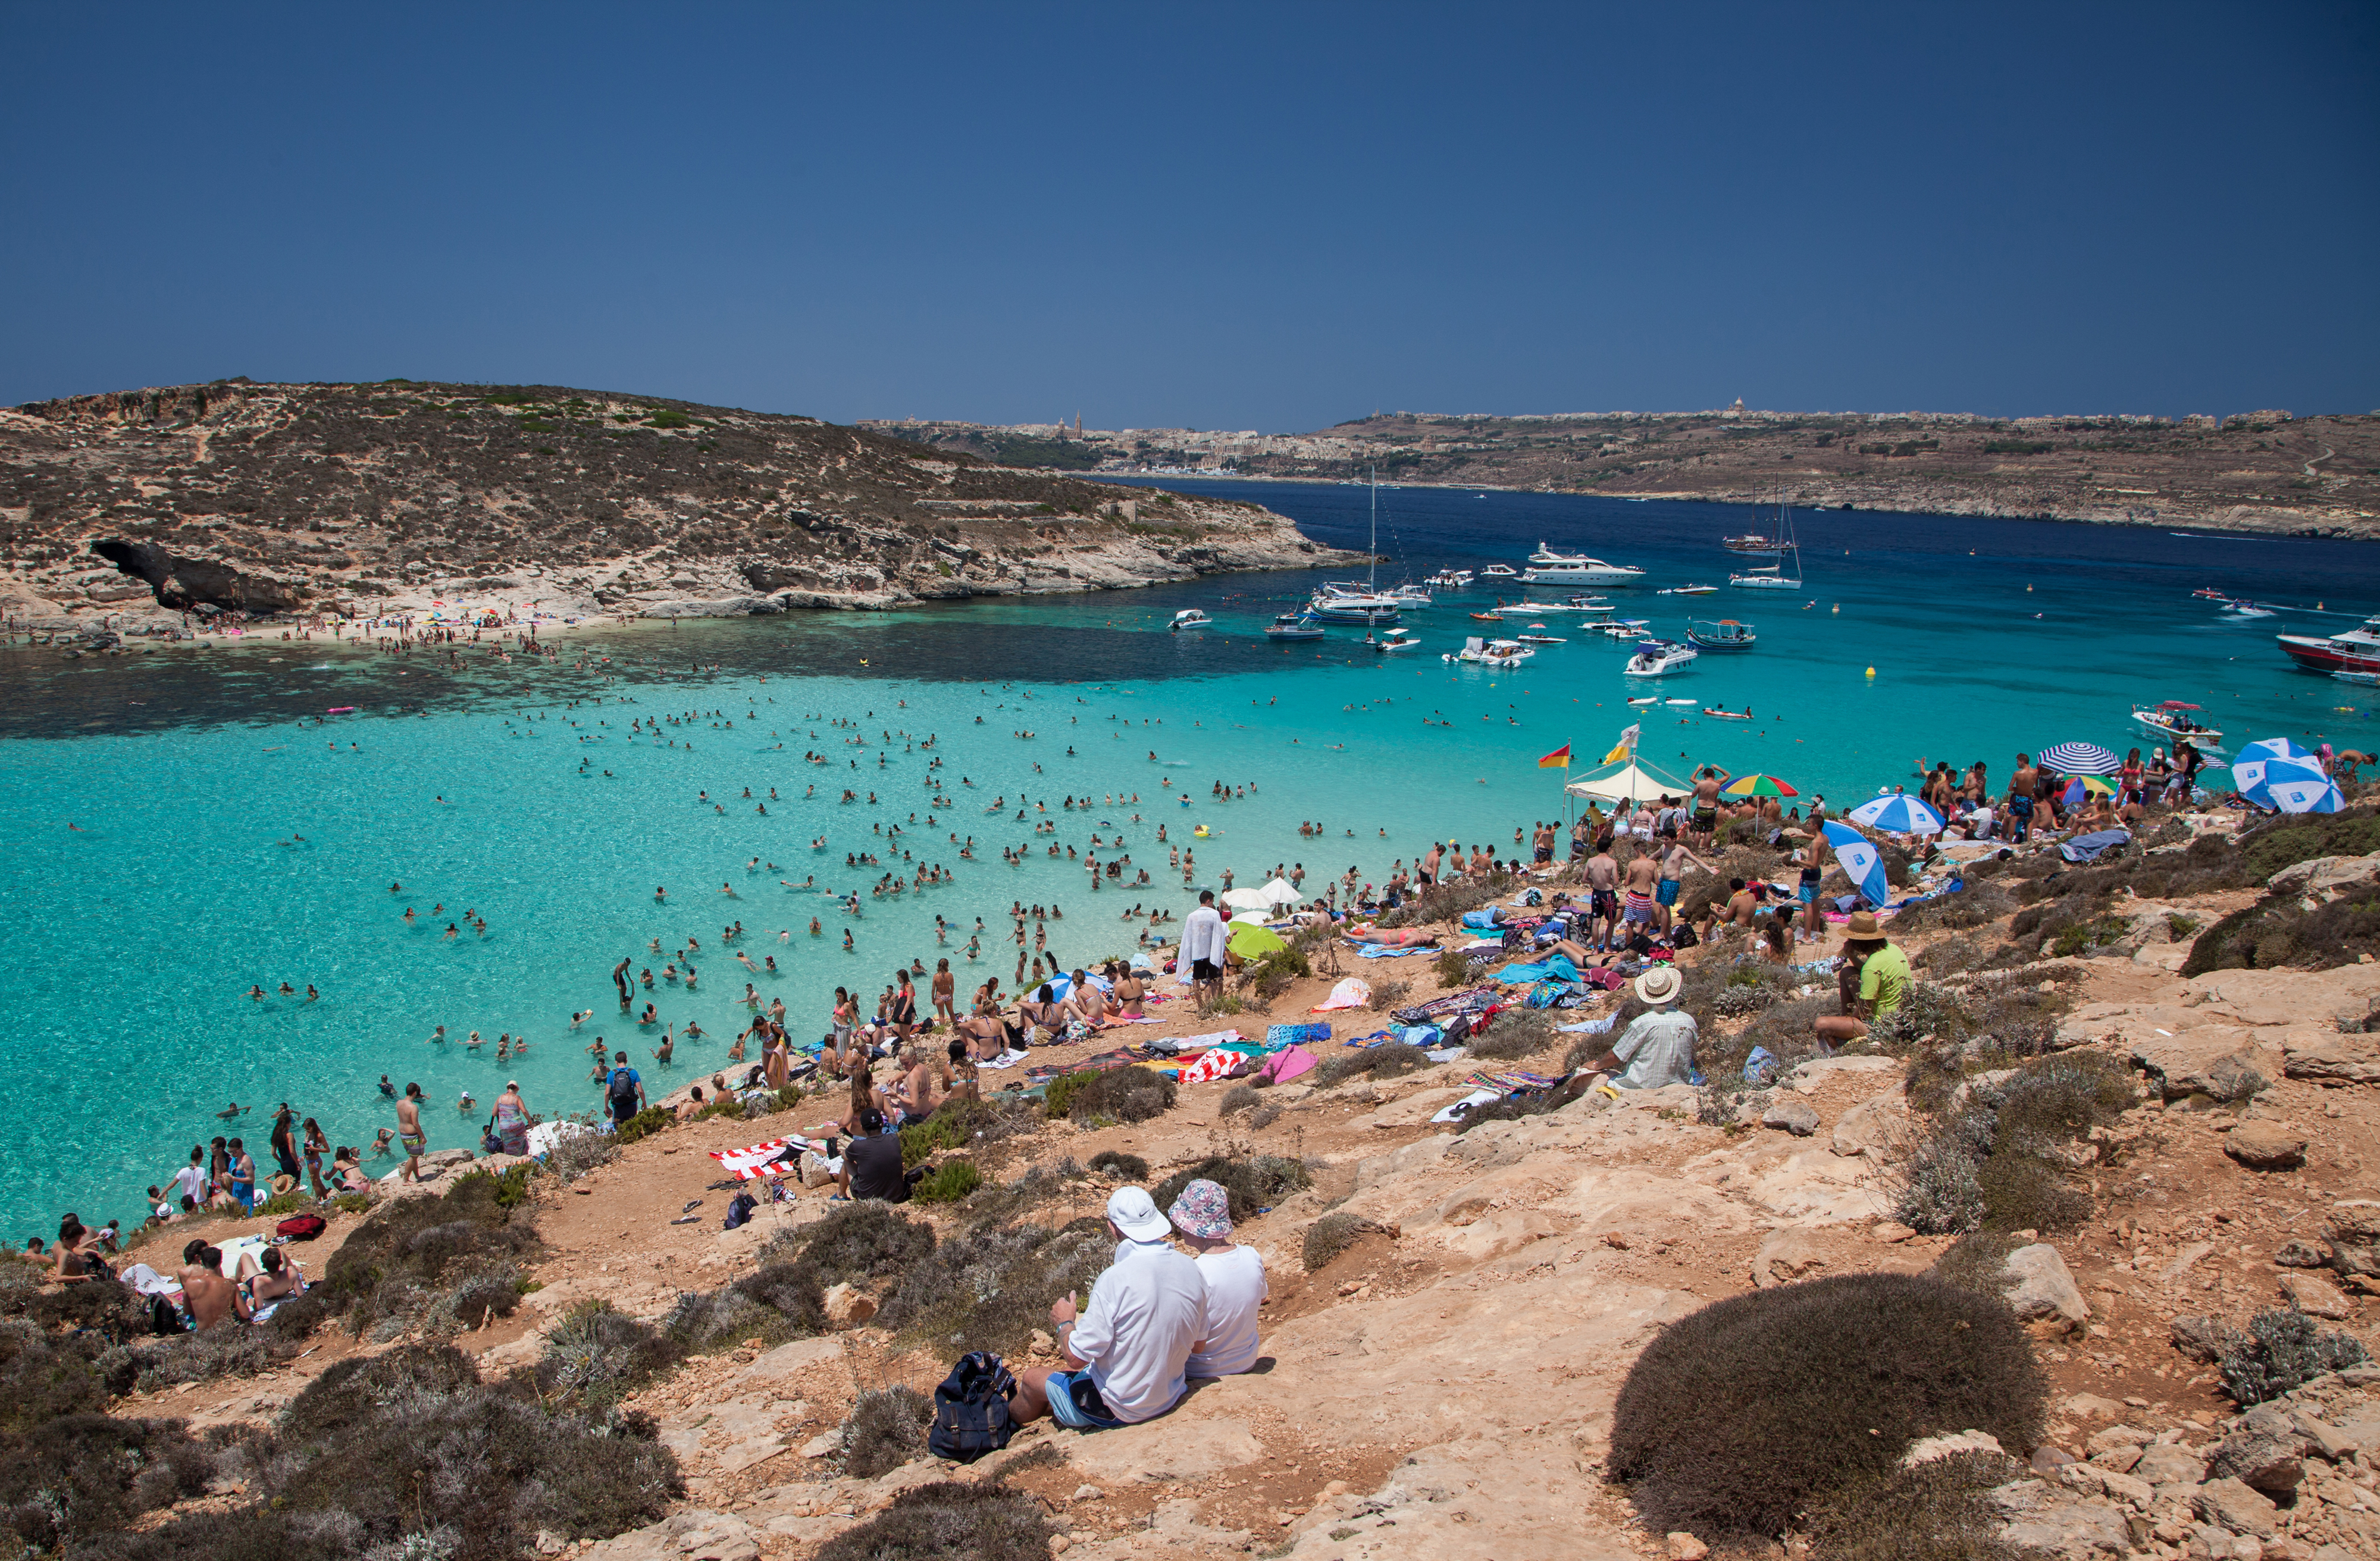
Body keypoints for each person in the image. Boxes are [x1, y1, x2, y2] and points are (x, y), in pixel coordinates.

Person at [1008, 1187, 1208, 1430]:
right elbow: (1198, 1346)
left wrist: (1065, 1322)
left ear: (1113, 1228)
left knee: (1032, 1380)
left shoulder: (1114, 1279)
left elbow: (1074, 1358)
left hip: (1120, 1408)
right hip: (1170, 1393)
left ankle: (1006, 1424)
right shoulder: (1191, 1267)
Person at [1168, 1180, 1265, 1379]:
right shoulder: (1252, 1256)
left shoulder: (1196, 1270)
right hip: (1246, 1361)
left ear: (1192, 1226)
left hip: (1201, 1370)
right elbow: (1260, 1298)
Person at [1577, 967, 1699, 1090]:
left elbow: (1616, 1056)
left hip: (1640, 1086)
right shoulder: (1689, 1021)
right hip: (1679, 1084)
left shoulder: (1643, 1023)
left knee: (1582, 1075)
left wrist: (1596, 1065)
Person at [1815, 911, 1910, 1048]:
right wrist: (1852, 957)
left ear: (1857, 942)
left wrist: (1846, 1022)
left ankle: (1836, 1053)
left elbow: (1864, 1011)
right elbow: (1874, 973)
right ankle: (1844, 1020)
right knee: (1847, 972)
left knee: (1821, 1024)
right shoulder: (1892, 949)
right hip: (1900, 1015)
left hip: (1881, 1024)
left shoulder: (1871, 967)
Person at [838, 1108, 921, 1202]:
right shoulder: (895, 1139)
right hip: (897, 1195)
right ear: (882, 1124)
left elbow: (844, 1156)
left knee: (847, 1161)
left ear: (862, 1127)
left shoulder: (858, 1146)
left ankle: (841, 1194)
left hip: (868, 1198)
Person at [1180, 890, 1229, 1001]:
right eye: (1212, 902)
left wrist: (1188, 954)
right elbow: (1218, 935)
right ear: (1208, 901)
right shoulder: (1215, 914)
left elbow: (1188, 937)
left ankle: (1201, 1006)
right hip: (1211, 953)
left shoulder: (1192, 916)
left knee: (1196, 980)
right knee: (1214, 981)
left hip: (1198, 953)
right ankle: (1215, 1004)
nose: (1212, 904)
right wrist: (1221, 951)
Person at [397, 1083, 427, 1183]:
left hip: (403, 1134)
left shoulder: (399, 1103)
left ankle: (417, 1176)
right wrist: (423, 1136)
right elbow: (415, 1124)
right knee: (413, 1157)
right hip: (412, 1135)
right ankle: (405, 1180)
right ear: (415, 1093)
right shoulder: (413, 1107)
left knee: (414, 1156)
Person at [607, 1052, 646, 1126]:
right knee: (632, 1126)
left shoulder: (611, 1074)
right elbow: (640, 1091)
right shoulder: (633, 1072)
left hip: (618, 1106)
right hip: (631, 1104)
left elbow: (607, 1093)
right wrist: (644, 1103)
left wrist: (606, 1107)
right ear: (626, 1061)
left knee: (619, 1129)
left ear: (616, 1062)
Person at [493, 1080, 531, 1156]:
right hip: (516, 1126)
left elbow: (494, 1114)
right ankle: (521, 1159)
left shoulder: (500, 1098)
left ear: (508, 1088)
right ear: (516, 1089)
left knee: (508, 1145)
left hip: (504, 1127)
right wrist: (530, 1121)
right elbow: (524, 1111)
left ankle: (510, 1159)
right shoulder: (516, 1098)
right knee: (521, 1143)